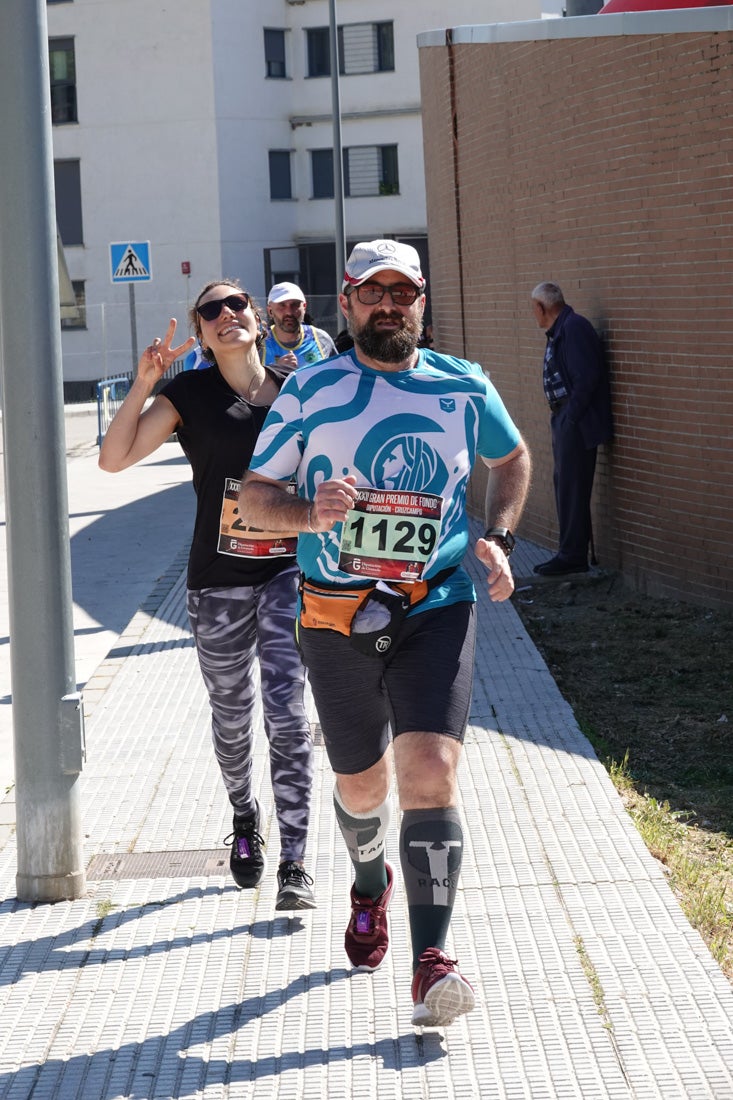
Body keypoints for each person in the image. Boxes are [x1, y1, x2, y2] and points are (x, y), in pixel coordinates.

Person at [240, 240, 531, 1027]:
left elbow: (510, 461)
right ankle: (370, 883)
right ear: (348, 302)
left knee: (431, 772)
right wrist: (308, 513)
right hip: (333, 617)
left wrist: (497, 538)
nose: (389, 305)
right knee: (361, 787)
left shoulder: (463, 386)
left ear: (421, 302)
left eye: (403, 292)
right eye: (374, 293)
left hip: (433, 605)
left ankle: (430, 961)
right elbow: (253, 499)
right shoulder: (312, 389)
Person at [98, 279, 317, 911]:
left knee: (287, 712)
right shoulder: (187, 393)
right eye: (210, 311)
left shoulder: (294, 393)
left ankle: (296, 861)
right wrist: (145, 380)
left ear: (256, 316)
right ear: (199, 333)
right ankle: (245, 815)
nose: (226, 315)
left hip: (285, 574)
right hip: (216, 582)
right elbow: (114, 460)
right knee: (231, 713)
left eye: (236, 305)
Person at [530, 282, 613, 576]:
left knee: (572, 486)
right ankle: (571, 552)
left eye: (534, 309)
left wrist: (571, 418)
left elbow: (587, 377)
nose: (534, 315)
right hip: (565, 418)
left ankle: (572, 556)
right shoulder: (562, 329)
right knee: (565, 485)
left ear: (541, 307)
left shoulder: (574, 328)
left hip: (575, 420)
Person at [264, 281, 336, 368]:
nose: (289, 312)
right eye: (282, 305)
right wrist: (276, 370)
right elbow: (248, 380)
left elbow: (338, 377)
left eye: (295, 305)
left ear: (304, 307)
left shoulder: (321, 339)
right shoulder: (259, 345)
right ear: (270, 311)